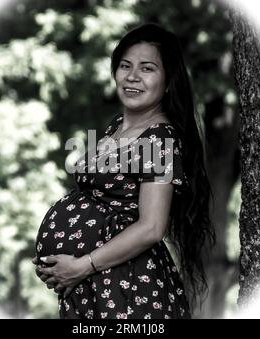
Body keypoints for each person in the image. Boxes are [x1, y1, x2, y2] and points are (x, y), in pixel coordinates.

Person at [32, 23, 214, 319]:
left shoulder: (159, 138)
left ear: (168, 81)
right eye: (125, 66)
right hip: (97, 287)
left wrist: (83, 264)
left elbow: (152, 227)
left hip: (128, 291)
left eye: (147, 68)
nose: (132, 76)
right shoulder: (117, 126)